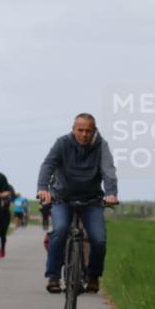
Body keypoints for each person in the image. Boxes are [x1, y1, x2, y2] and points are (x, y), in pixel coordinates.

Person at [37, 113, 118, 294]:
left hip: (91, 200)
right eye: (80, 130)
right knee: (59, 230)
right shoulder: (62, 143)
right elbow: (48, 165)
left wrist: (111, 193)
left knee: (98, 239)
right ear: (73, 130)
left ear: (94, 131)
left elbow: (108, 170)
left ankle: (93, 276)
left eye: (88, 131)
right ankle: (54, 276)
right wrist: (43, 188)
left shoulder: (101, 146)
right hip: (62, 199)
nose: (84, 134)